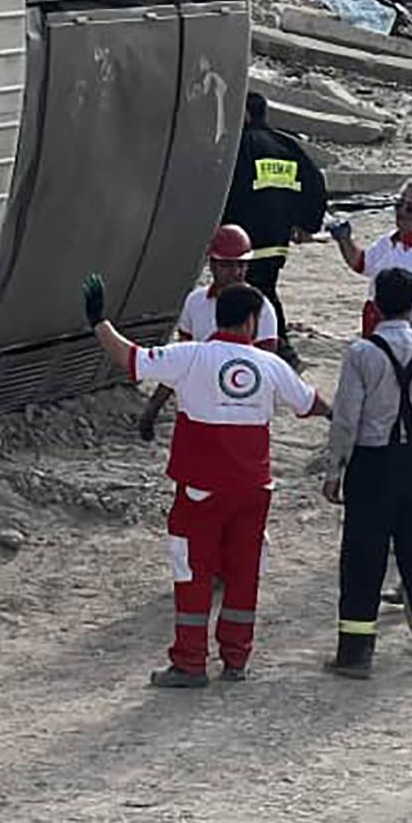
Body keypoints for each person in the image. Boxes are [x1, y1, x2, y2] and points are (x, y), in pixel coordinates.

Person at [85, 276, 325, 684]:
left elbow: (131, 359)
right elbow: (309, 403)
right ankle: (236, 659)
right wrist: (349, 417)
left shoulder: (191, 357)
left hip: (201, 489)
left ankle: (190, 661)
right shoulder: (271, 365)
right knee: (243, 573)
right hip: (254, 489)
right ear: (251, 322)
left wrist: (99, 323)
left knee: (193, 572)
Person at [325, 267, 412, 677]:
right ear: (411, 305)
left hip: (373, 465)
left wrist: (335, 469)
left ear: (376, 305)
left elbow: (347, 418)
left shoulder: (361, 354)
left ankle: (355, 655)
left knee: (363, 557)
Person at [136, 224, 281, 439]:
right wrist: (154, 407)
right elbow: (181, 360)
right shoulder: (196, 302)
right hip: (200, 406)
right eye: (228, 265)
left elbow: (268, 369)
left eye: (241, 265)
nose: (236, 272)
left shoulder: (261, 308)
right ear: (211, 264)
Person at [224, 91, 327, 369]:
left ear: (245, 114)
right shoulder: (287, 145)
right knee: (264, 286)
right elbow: (315, 182)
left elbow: (231, 190)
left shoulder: (242, 145)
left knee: (256, 291)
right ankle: (271, 348)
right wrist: (307, 224)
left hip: (247, 237)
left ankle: (279, 349)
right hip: (277, 238)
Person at [331, 178, 412, 337]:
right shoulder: (387, 241)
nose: (402, 212)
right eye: (398, 205)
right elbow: (361, 264)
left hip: (407, 337)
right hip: (374, 328)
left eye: (410, 209)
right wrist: (345, 240)